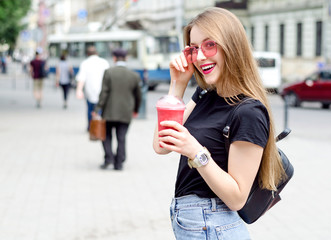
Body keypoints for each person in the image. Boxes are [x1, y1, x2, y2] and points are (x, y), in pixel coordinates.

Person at [152, 7, 286, 239]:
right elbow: (161, 145)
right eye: (193, 49)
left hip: (213, 225)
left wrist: (196, 152)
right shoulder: (205, 95)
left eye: (209, 45)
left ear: (231, 46)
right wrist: (177, 85)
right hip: (197, 224)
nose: (200, 56)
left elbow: (237, 198)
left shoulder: (249, 112)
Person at [93, 48, 141, 170]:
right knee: (121, 137)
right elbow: (138, 95)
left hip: (109, 111)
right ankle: (119, 163)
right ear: (126, 59)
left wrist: (97, 108)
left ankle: (108, 158)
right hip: (125, 112)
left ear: (114, 58)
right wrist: (136, 109)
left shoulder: (108, 72)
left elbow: (104, 93)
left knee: (106, 136)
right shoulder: (134, 75)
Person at [76, 46, 109, 130]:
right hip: (102, 92)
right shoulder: (104, 62)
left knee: (90, 110)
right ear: (97, 53)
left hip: (89, 92)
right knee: (100, 109)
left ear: (87, 54)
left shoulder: (85, 63)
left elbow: (81, 78)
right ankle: (100, 128)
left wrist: (79, 90)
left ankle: (91, 127)